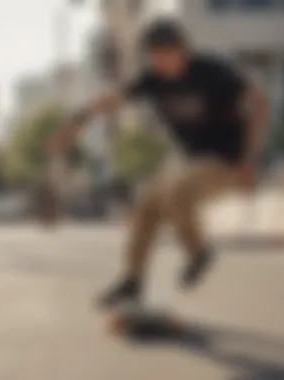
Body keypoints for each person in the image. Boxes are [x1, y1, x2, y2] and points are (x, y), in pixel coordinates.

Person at [46, 19, 268, 308]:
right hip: (191, 162)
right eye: (156, 54)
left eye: (169, 53)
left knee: (175, 189)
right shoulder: (151, 80)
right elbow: (112, 98)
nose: (163, 61)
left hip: (225, 161)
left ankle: (198, 251)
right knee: (147, 206)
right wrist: (78, 120)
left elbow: (259, 102)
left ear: (183, 50)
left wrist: (250, 158)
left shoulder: (212, 71)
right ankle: (132, 281)